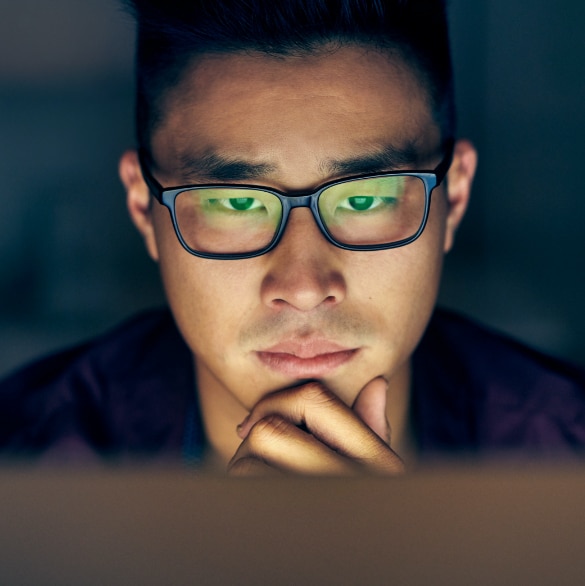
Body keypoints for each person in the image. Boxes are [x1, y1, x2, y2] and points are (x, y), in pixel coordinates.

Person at [1, 0, 584, 472]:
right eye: (234, 202)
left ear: (452, 199)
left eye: (364, 198)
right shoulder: (25, 467)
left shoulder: (565, 459)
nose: (304, 287)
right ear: (142, 207)